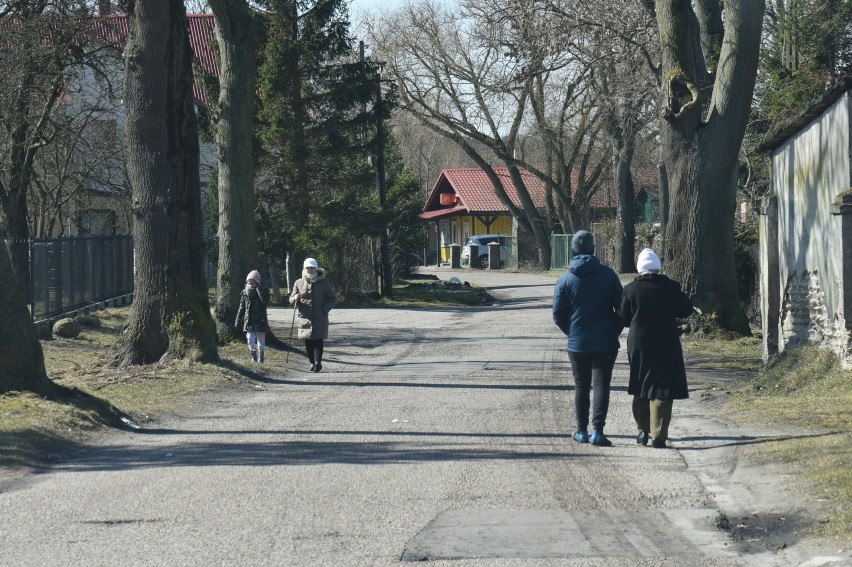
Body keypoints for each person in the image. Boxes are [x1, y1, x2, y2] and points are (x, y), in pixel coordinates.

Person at [552, 230, 624, 447]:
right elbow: (621, 309)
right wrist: (613, 330)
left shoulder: (565, 278)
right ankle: (598, 432)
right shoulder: (608, 275)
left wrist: (572, 332)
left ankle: (581, 431)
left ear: (573, 250)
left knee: (581, 385)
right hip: (605, 341)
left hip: (578, 343)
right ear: (593, 249)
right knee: (602, 384)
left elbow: (557, 314)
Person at [618, 248, 694, 449]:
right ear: (658, 267)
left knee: (640, 384)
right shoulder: (670, 287)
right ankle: (659, 436)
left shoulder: (630, 290)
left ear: (639, 268)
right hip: (666, 341)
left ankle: (642, 431)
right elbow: (686, 309)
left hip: (639, 342)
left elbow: (623, 318)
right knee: (662, 387)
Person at [289, 257, 336, 372]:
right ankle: (311, 362)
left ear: (316, 269)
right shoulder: (299, 282)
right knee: (308, 341)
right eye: (308, 268)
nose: (310, 270)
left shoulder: (324, 283)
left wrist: (324, 309)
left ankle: (318, 362)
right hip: (304, 317)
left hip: (320, 317)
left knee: (318, 340)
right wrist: (294, 298)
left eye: (312, 268)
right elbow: (291, 299)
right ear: (304, 269)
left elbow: (332, 299)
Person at [235, 270, 269, 363]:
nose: (251, 284)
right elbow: (241, 308)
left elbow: (265, 301)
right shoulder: (245, 293)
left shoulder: (263, 289)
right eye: (249, 283)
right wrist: (238, 321)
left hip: (260, 320)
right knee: (250, 338)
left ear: (257, 282)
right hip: (249, 320)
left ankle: (261, 356)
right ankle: (253, 355)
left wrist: (258, 289)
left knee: (260, 340)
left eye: (253, 283)